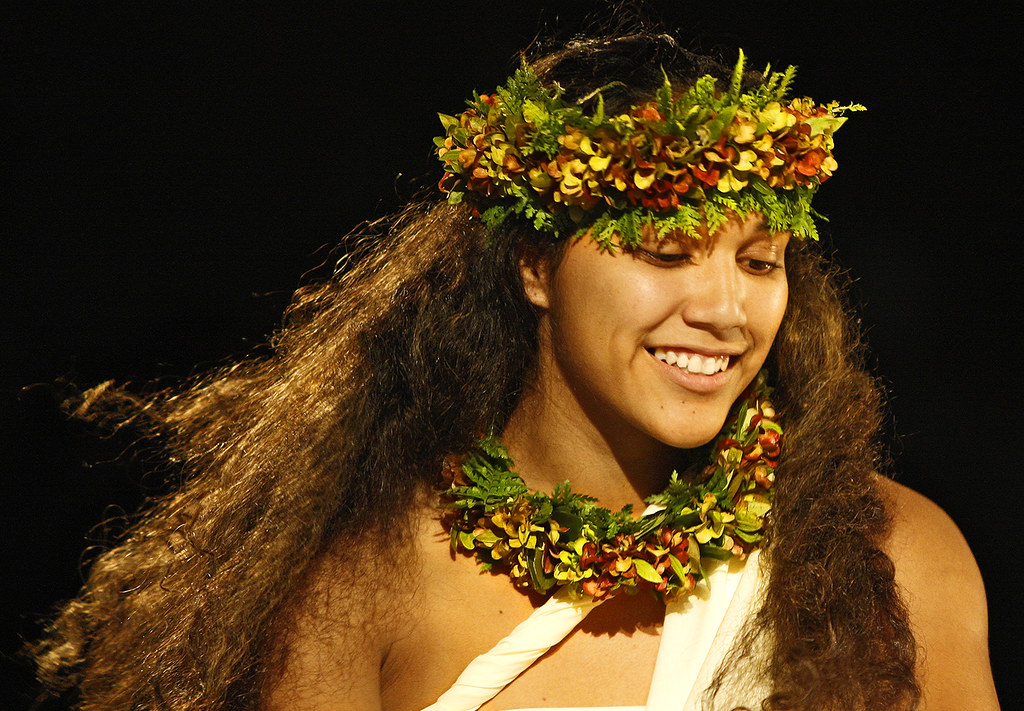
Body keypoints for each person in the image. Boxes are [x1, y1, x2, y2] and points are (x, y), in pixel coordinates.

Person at [30, 31, 998, 711]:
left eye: (758, 261)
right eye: (662, 252)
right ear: (535, 267)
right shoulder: (365, 579)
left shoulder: (890, 554)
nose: (724, 309)